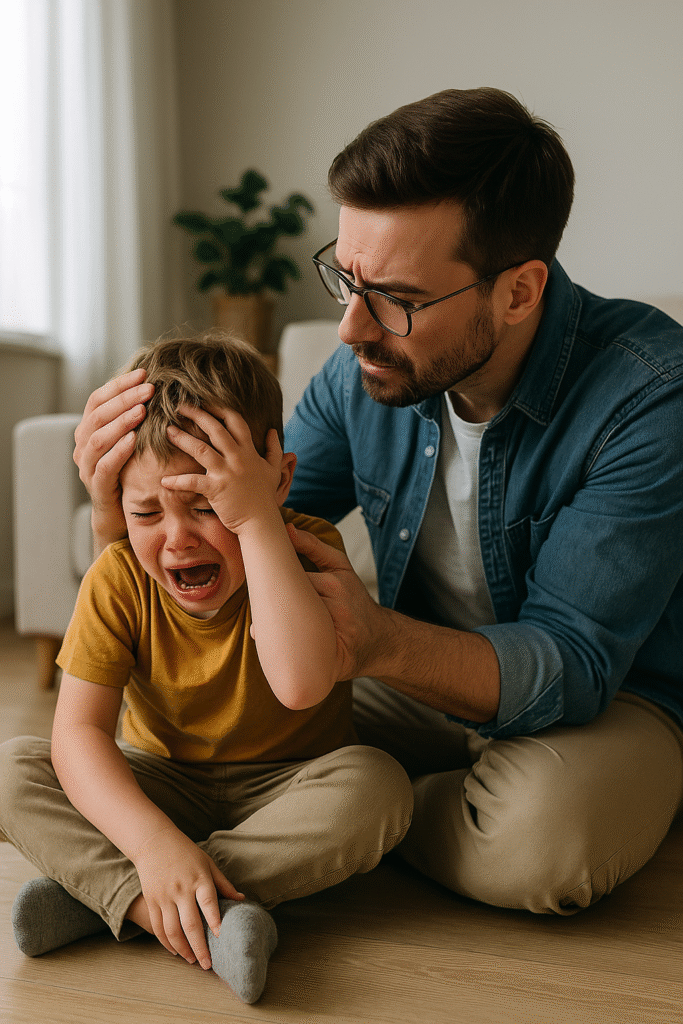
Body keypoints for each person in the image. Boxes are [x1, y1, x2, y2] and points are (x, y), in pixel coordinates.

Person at [70, 87, 683, 918]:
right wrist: (121, 503)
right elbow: (241, 527)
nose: (350, 329)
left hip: (604, 701)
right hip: (409, 683)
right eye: (344, 279)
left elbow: (571, 663)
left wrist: (379, 642)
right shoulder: (365, 377)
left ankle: (337, 825)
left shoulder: (649, 395)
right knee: (216, 722)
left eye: (394, 298)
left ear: (518, 291)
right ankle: (284, 841)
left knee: (544, 846)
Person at [0, 333, 413, 1004]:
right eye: (145, 512)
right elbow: (79, 736)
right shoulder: (119, 577)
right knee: (12, 768)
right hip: (162, 782)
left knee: (378, 787)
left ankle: (119, 898)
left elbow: (302, 683)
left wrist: (256, 526)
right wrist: (153, 843)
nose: (177, 536)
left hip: (292, 782)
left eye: (207, 506)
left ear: (278, 479)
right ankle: (181, 900)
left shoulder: (309, 552)